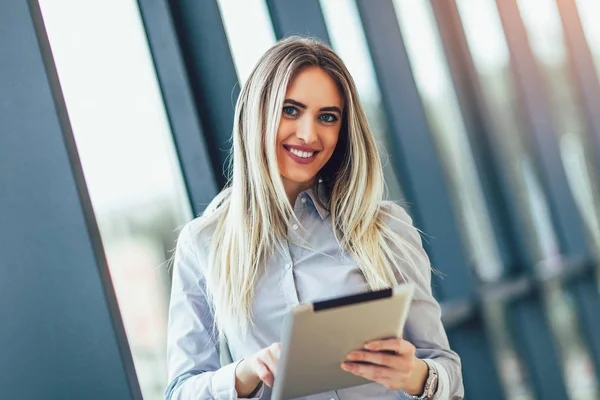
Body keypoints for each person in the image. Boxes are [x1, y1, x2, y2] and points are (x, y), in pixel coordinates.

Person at [164, 36, 464, 400]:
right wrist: (243, 375)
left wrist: (414, 374)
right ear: (258, 113)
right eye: (291, 110)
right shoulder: (204, 243)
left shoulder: (382, 227)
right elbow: (180, 390)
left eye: (327, 117)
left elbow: (446, 371)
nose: (308, 134)